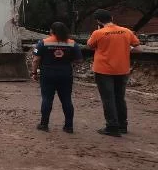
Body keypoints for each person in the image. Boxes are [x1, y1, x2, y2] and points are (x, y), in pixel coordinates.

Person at [87, 9, 142, 137]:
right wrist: (126, 48)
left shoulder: (98, 33)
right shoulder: (126, 31)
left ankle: (112, 126)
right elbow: (139, 49)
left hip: (103, 70)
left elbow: (90, 45)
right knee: (119, 98)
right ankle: (123, 125)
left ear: (98, 21)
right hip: (122, 69)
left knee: (108, 99)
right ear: (111, 17)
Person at [31, 22, 83, 133]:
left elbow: (36, 60)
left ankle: (44, 124)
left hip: (47, 74)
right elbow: (79, 60)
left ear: (51, 31)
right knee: (66, 100)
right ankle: (69, 126)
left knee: (47, 99)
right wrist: (68, 62)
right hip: (65, 74)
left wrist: (34, 73)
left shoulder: (43, 43)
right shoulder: (72, 43)